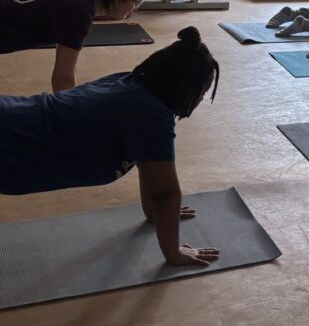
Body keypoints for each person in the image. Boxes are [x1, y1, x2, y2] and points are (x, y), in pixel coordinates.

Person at [0, 26, 221, 267]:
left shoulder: (131, 85)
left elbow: (150, 164)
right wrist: (174, 253)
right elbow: (165, 193)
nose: (201, 100)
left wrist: (155, 215)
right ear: (185, 88)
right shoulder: (150, 115)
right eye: (202, 93)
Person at [0, 0, 153, 91]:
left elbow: (68, 66)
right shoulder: (78, 13)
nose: (135, 8)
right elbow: (63, 79)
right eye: (137, 2)